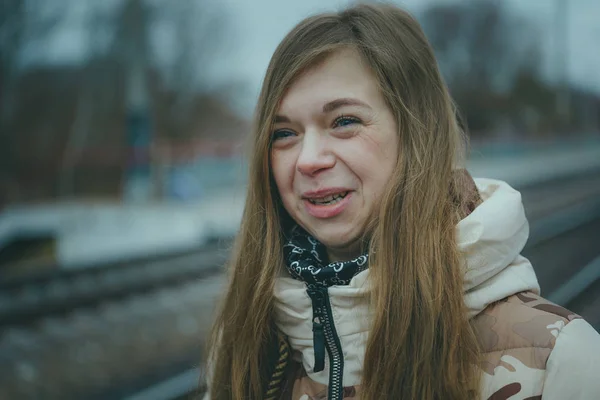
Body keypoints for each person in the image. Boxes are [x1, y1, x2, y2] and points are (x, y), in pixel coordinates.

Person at [203, 3, 600, 399]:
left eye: (344, 122)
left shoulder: (562, 364)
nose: (307, 160)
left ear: (416, 133)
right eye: (284, 133)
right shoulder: (242, 346)